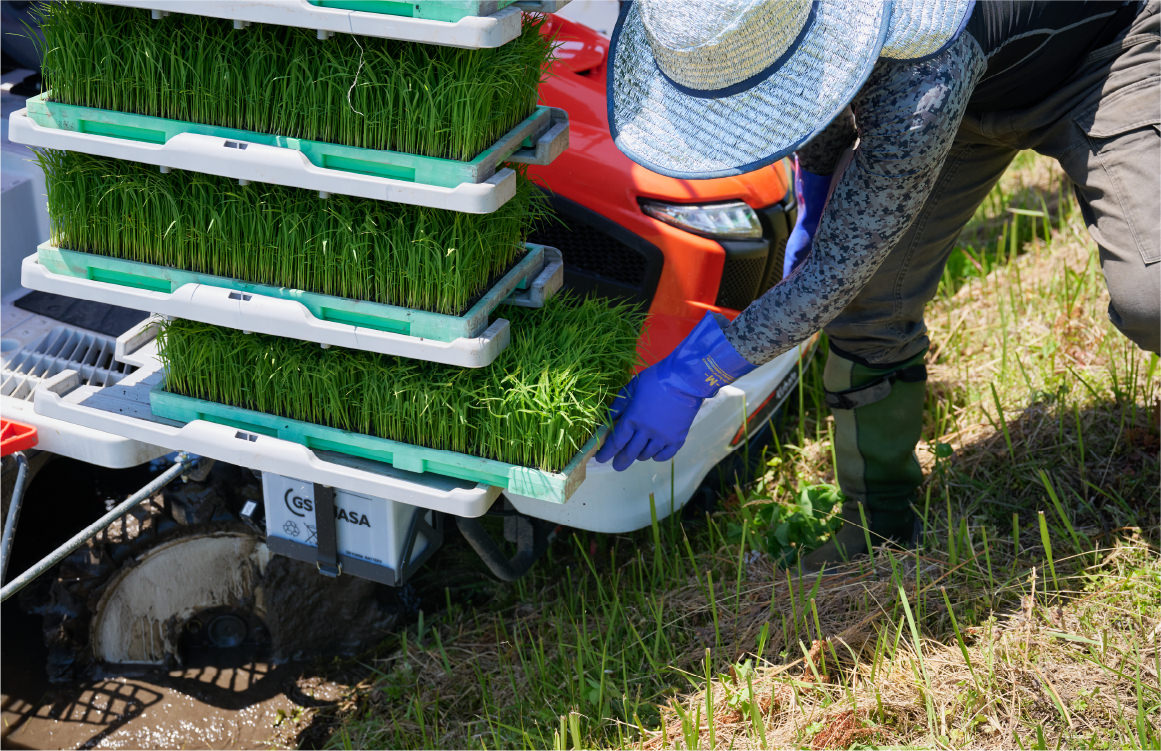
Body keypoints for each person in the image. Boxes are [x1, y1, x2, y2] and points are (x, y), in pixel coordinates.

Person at [593, 0, 1160, 566]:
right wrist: (816, 192)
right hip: (971, 91)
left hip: (1105, 56)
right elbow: (809, 92)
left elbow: (834, 276)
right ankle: (877, 524)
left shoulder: (922, 73)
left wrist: (696, 374)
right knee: (871, 303)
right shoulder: (784, 20)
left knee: (1151, 298)